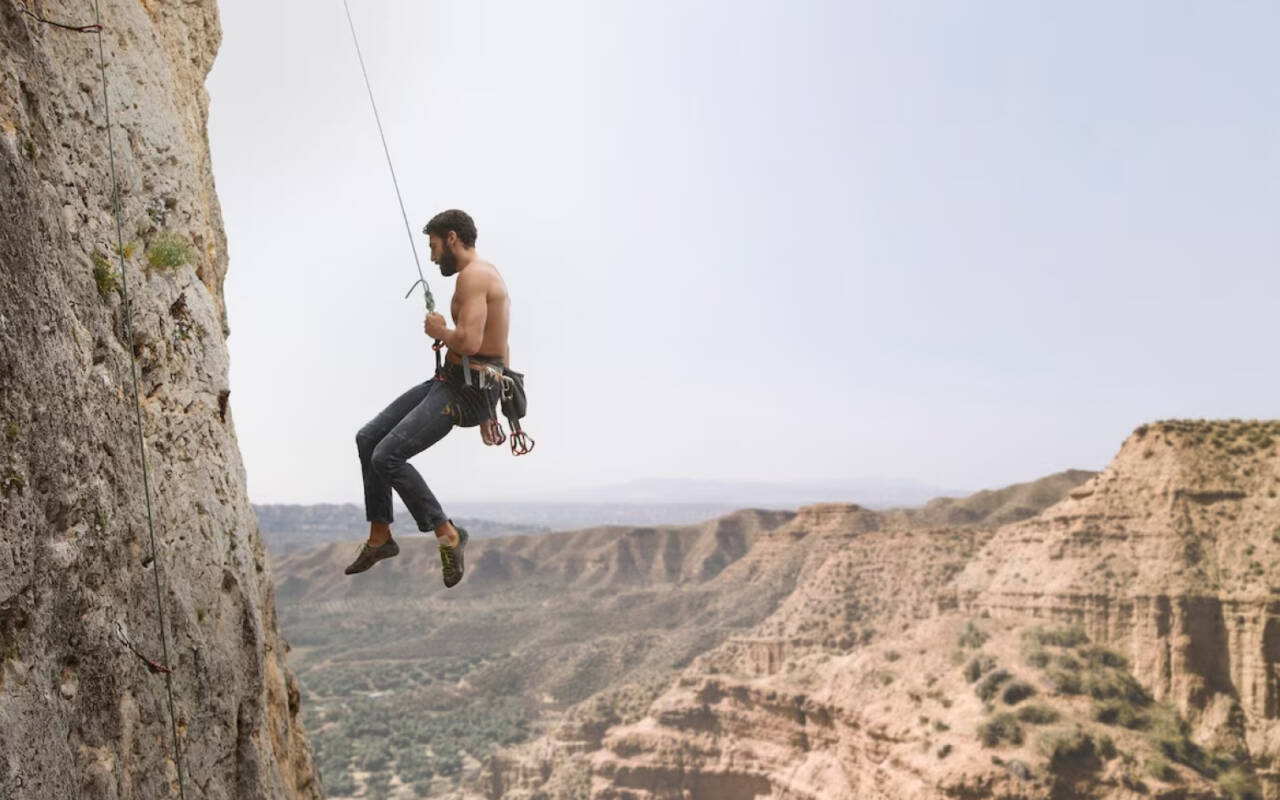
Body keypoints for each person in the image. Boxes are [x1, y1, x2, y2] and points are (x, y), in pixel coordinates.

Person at [346, 209, 512, 587]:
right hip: (454, 381)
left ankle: (448, 533)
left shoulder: (475, 276)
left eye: (435, 246)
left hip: (465, 391)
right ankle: (380, 537)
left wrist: (441, 330)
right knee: (368, 438)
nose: (433, 256)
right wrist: (493, 408)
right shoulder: (482, 275)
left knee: (387, 455)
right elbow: (500, 342)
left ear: (452, 238)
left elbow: (470, 342)